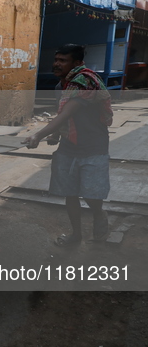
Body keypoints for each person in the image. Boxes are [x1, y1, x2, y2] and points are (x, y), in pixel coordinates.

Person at [24, 44, 112, 247]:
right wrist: (56, 133)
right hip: (69, 146)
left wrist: (38, 135)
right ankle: (76, 235)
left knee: (91, 195)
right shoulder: (61, 86)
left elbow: (66, 113)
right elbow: (65, 119)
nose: (56, 64)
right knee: (70, 193)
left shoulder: (85, 82)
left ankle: (99, 213)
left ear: (78, 63)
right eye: (56, 59)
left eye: (62, 60)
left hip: (93, 147)